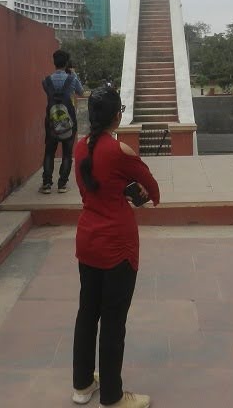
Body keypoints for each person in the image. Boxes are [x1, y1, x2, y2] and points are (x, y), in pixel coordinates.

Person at [71, 86, 159, 408]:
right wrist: (135, 195)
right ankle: (112, 396)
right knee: (112, 321)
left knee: (86, 313)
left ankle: (81, 386)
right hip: (117, 245)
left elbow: (97, 184)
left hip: (88, 239)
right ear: (116, 115)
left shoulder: (80, 148)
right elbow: (151, 188)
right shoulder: (120, 151)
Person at [39, 49, 84, 194]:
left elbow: (49, 93)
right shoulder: (72, 79)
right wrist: (74, 74)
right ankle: (62, 184)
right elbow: (81, 92)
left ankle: (46, 184)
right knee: (66, 153)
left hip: (51, 122)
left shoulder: (46, 81)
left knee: (49, 152)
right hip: (69, 121)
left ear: (54, 62)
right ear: (66, 63)